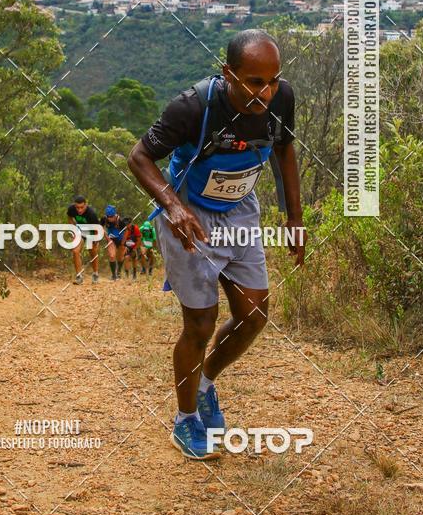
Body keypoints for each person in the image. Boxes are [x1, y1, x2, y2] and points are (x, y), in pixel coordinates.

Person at [128, 29, 306, 460]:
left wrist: (294, 218)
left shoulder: (281, 99)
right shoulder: (193, 107)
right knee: (200, 324)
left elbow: (283, 151)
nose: (265, 91)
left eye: (273, 79)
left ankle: (206, 382)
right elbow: (138, 158)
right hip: (191, 214)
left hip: (241, 209)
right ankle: (186, 418)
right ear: (229, 73)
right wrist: (172, 206)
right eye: (254, 81)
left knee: (255, 313)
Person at [67, 195, 101, 285]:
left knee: (92, 251)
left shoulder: (91, 213)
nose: (79, 210)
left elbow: (97, 228)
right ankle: (79, 277)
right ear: (74, 206)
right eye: (77, 207)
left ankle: (95, 274)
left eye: (82, 207)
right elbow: (69, 218)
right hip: (80, 231)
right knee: (75, 251)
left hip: (91, 232)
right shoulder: (71, 209)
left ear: (86, 205)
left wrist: (96, 240)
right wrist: (74, 229)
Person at [100, 205, 128, 280]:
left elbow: (126, 231)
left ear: (115, 215)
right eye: (108, 216)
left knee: (120, 257)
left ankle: (118, 271)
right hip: (111, 239)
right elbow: (100, 227)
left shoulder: (120, 220)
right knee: (112, 256)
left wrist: (123, 242)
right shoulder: (104, 219)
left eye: (111, 216)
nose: (110, 218)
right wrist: (107, 237)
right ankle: (114, 275)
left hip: (121, 239)